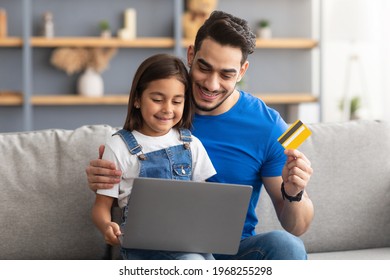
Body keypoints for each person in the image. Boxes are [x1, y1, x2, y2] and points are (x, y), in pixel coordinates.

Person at [87, 11, 314, 260]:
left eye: (226, 74)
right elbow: (130, 152)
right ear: (191, 55)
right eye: (204, 68)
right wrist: (106, 176)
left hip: (233, 250)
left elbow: (297, 227)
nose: (211, 85)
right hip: (168, 252)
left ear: (242, 71)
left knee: (287, 246)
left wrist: (294, 192)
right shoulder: (165, 105)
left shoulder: (270, 127)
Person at [91, 53, 216, 260]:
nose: (167, 109)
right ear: (138, 99)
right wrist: (106, 226)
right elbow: (100, 206)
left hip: (188, 243)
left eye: (177, 101)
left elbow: (202, 202)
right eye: (157, 100)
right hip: (144, 251)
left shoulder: (191, 143)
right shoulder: (119, 146)